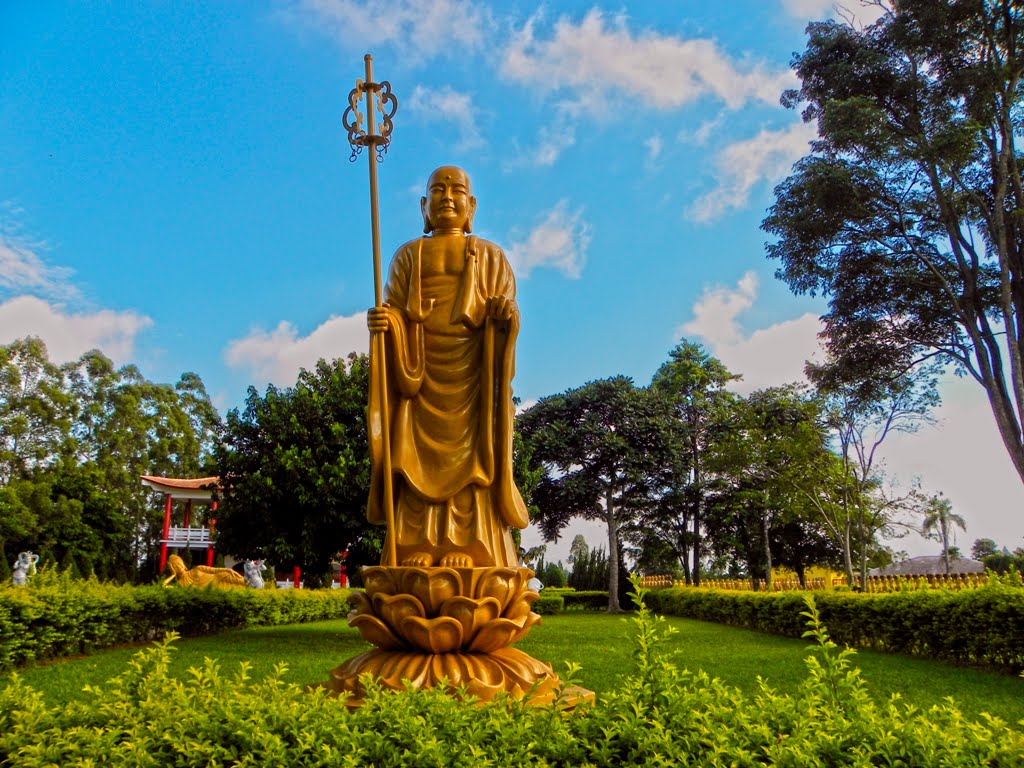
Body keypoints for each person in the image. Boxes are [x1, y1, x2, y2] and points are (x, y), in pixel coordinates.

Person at [366, 166, 528, 568]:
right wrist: (387, 326)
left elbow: (505, 307)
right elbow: (396, 310)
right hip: (418, 374)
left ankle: (467, 547)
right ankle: (415, 547)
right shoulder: (408, 255)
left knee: (473, 466)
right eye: (437, 190)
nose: (447, 197)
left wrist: (503, 315)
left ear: (471, 205)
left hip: (471, 374)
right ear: (424, 206)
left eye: (457, 191)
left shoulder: (490, 255)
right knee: (412, 459)